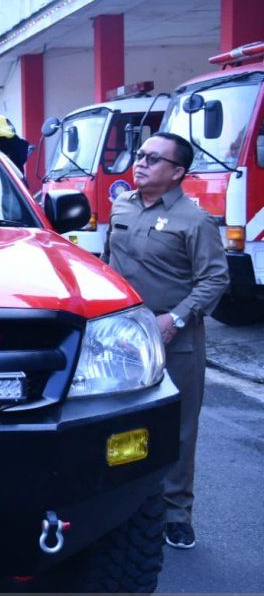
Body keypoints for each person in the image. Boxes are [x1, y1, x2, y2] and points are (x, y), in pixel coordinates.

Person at [102, 132, 229, 550]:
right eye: (139, 155)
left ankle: (176, 514)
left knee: (177, 429)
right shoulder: (121, 206)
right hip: (120, 340)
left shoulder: (196, 221)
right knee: (117, 424)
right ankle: (119, 508)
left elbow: (215, 279)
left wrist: (174, 319)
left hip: (175, 341)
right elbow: (107, 265)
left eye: (153, 159)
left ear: (177, 173)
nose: (140, 163)